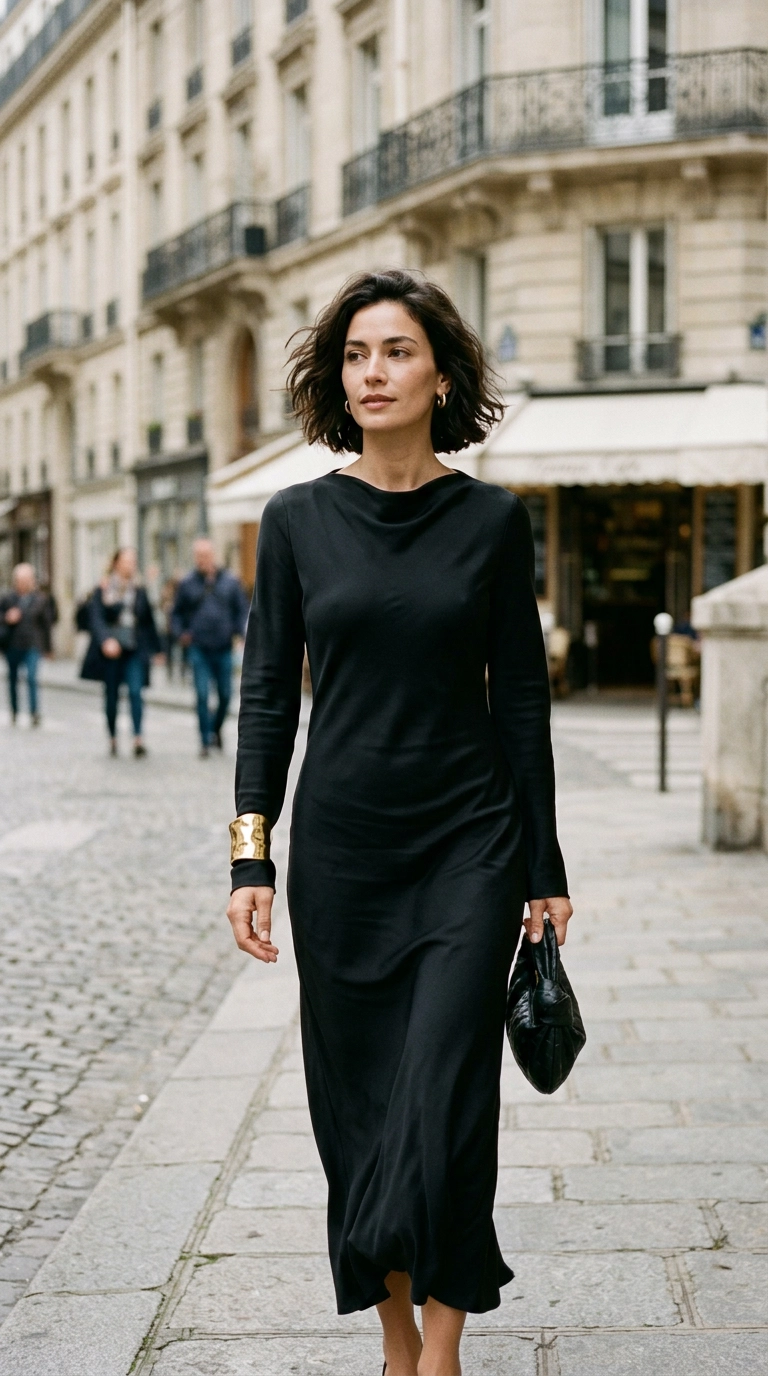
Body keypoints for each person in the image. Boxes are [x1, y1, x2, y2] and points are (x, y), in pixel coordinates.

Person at [226, 270, 573, 1376]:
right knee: (361, 1107)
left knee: (445, 1092)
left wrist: (542, 862)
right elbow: (269, 691)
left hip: (465, 848)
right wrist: (252, 852)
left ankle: (445, 1346)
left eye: (396, 352)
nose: (372, 372)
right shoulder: (295, 520)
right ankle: (393, 1335)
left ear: (441, 374)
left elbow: (519, 695)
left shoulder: (490, 521)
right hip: (341, 855)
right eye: (356, 355)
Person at [171, 538, 249, 757]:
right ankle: (205, 740)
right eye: (199, 556)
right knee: (202, 695)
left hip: (224, 647)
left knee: (225, 695)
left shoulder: (230, 582)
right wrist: (181, 633)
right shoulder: (187, 584)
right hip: (199, 647)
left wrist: (241, 633)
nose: (202, 560)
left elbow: (242, 610)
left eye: (206, 555)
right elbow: (176, 614)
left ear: (213, 555)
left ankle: (215, 728)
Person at [80, 548, 161, 756]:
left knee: (136, 691)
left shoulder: (139, 589)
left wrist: (158, 649)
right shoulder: (104, 588)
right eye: (126, 561)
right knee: (112, 695)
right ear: (116, 563)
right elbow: (95, 618)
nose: (130, 565)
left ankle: (138, 738)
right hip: (112, 650)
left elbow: (148, 621)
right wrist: (106, 641)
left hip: (134, 648)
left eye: (133, 561)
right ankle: (113, 737)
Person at [0, 562, 58, 725]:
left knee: (32, 678)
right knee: (12, 679)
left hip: (33, 644)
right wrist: (7, 618)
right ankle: (14, 711)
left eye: (27, 579)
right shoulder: (7, 598)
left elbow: (47, 625)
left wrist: (49, 648)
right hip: (12, 644)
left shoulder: (40, 599)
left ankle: (34, 712)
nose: (24, 583)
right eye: (20, 579)